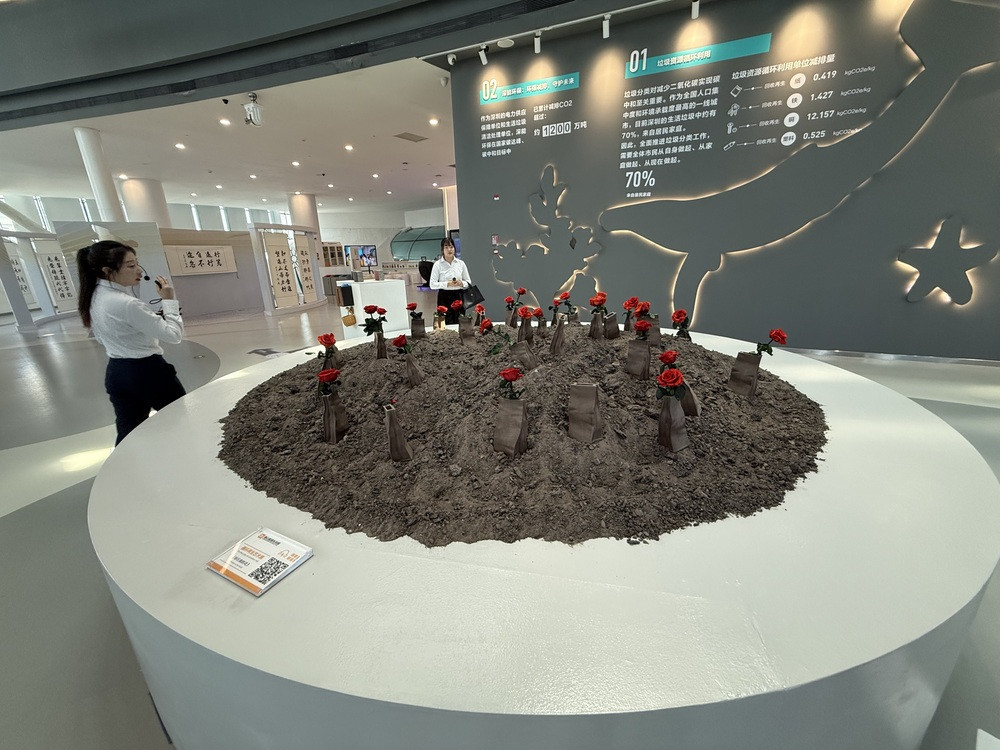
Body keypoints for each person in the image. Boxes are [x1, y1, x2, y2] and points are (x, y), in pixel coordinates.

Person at [76, 240, 186, 445]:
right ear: (107, 271)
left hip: (117, 372)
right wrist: (169, 301)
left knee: (127, 434)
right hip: (149, 372)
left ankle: (124, 466)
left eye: (137, 263)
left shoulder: (93, 296)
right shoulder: (127, 303)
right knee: (180, 420)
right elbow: (174, 335)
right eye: (130, 265)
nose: (139, 270)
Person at [429, 237, 471, 324]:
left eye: (451, 247)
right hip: (444, 296)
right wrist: (447, 284)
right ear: (442, 249)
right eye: (446, 247)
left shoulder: (461, 263)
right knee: (445, 322)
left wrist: (461, 283)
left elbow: (468, 282)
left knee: (460, 321)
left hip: (459, 296)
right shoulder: (437, 265)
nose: (449, 250)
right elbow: (432, 284)